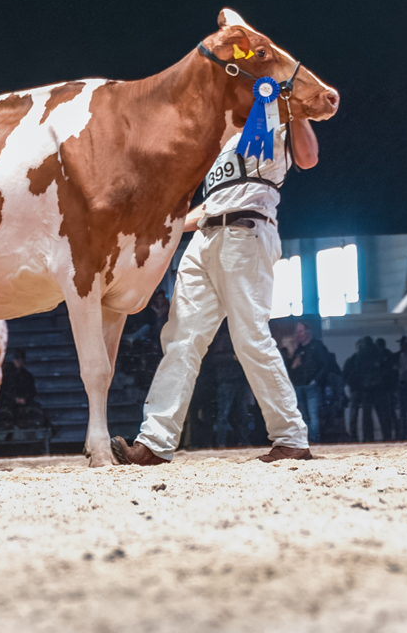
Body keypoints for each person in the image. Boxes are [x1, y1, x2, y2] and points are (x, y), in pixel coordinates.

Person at [114, 58, 323, 465]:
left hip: (247, 232)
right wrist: (167, 227)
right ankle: (154, 442)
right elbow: (212, 203)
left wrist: (295, 111)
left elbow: (309, 157)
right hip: (206, 236)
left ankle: (291, 437)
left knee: (251, 338)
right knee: (181, 339)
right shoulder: (221, 139)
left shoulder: (277, 123)